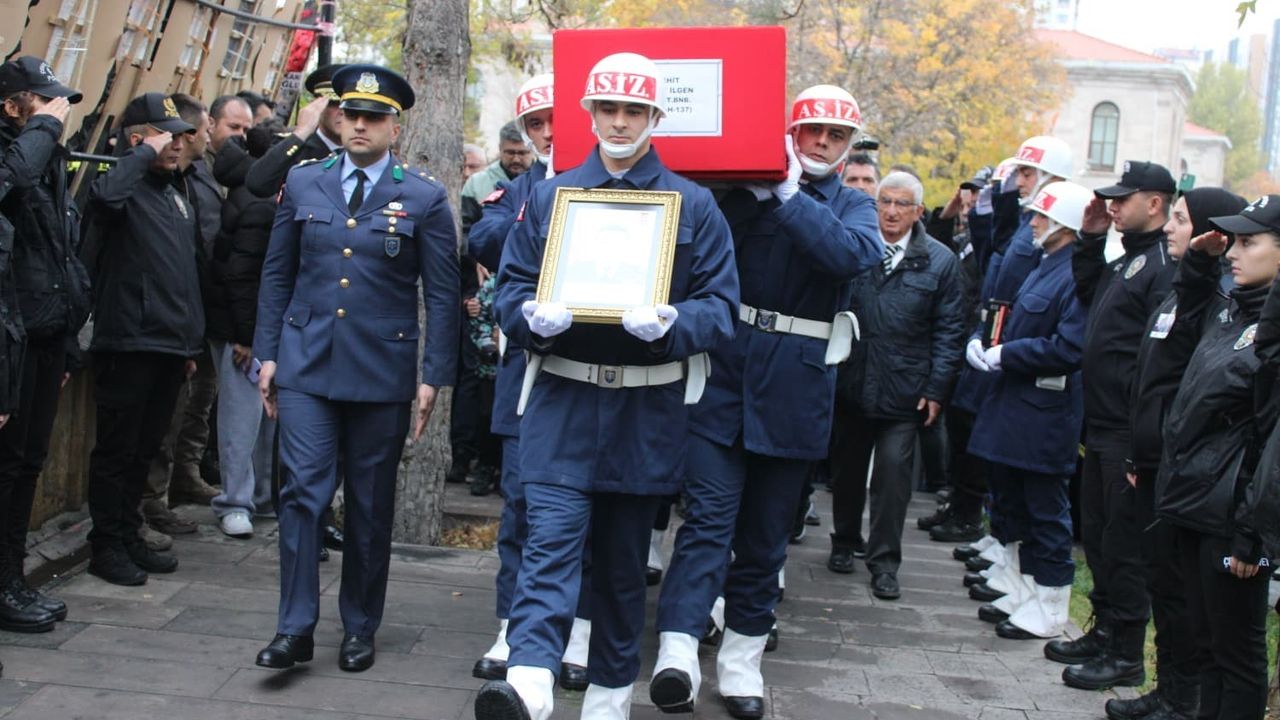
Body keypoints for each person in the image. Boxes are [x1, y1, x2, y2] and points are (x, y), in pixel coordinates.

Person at [474, 52, 738, 720]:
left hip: (644, 411)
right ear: (589, 114)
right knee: (548, 545)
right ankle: (531, 679)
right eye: (608, 109)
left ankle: (609, 695)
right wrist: (527, 316)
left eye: (634, 111)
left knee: (623, 570)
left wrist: (674, 321)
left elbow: (722, 308)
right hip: (562, 401)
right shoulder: (550, 194)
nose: (620, 123)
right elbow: (509, 285)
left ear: (655, 116)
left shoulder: (693, 204)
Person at [648, 83, 881, 719]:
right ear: (793, 132)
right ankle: (676, 651)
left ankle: (742, 662)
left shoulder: (854, 207)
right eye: (812, 131)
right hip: (725, 379)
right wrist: (750, 191)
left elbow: (848, 257)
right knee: (705, 525)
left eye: (837, 136)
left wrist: (783, 196)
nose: (824, 143)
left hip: (796, 390)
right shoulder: (739, 194)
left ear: (849, 145)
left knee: (765, 537)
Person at [252, 64, 459, 674]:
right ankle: (294, 628)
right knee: (302, 497)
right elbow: (277, 274)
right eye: (351, 113)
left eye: (374, 117)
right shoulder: (305, 181)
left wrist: (432, 377)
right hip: (307, 366)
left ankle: (360, 626)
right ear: (337, 117)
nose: (359, 125)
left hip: (380, 372)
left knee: (369, 507)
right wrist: (268, 353)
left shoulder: (422, 195)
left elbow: (443, 294)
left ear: (396, 126)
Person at [467, 72, 595, 691]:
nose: (546, 133)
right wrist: (542, 194)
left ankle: (581, 629)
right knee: (520, 506)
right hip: (530, 374)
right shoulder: (519, 188)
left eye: (554, 120)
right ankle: (513, 626)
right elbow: (485, 238)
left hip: (600, 371)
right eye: (535, 125)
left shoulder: (608, 183)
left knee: (592, 509)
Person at [1104, 187, 1247, 720]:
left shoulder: (1221, 300)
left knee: (1179, 590)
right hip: (1150, 461)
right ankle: (1171, 690)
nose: (1169, 227)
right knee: (1161, 582)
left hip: (1179, 468)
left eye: (1182, 219)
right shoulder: (1179, 291)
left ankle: (1183, 699)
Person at [1153, 198, 1280, 719]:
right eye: (1234, 241)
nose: (1235, 252)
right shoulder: (1234, 310)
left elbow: (1272, 441)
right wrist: (1199, 265)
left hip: (1232, 515)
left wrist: (1252, 533)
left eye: (1250, 243)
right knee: (1206, 644)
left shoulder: (1270, 332)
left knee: (1237, 654)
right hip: (1196, 500)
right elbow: (1178, 347)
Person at [1055, 161, 1178, 691]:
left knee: (1123, 545)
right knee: (1101, 541)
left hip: (1127, 430)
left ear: (1155, 204)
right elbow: (1090, 296)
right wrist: (1090, 239)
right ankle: (1104, 630)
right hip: (1100, 424)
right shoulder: (1128, 258)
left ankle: (1126, 652)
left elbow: (1158, 353)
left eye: (1124, 199)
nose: (1114, 205)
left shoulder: (1163, 265)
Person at [826, 171, 965, 600]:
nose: (890, 211)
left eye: (901, 204)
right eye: (884, 201)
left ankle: (885, 562)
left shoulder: (941, 262)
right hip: (852, 378)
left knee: (892, 476)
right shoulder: (857, 248)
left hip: (905, 389)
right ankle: (845, 540)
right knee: (846, 470)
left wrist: (937, 389)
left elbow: (950, 330)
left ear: (918, 211)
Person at [83, 92, 202, 586]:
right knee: (117, 450)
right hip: (129, 342)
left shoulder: (175, 191)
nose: (176, 145)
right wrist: (139, 156)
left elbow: (185, 274)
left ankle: (128, 532)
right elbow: (105, 197)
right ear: (137, 139)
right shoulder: (121, 184)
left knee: (144, 449)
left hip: (170, 347)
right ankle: (106, 543)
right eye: (164, 136)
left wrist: (189, 343)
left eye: (178, 136)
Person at [964, 181, 1091, 640]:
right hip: (1018, 406)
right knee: (1015, 505)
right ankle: (1025, 590)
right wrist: (987, 343)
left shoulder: (1073, 272)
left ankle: (1052, 602)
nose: (1032, 222)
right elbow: (1010, 314)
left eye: (1041, 216)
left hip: (1044, 411)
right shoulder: (1046, 264)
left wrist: (1008, 355)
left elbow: (1068, 346)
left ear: (1064, 225)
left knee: (1045, 511)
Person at [954, 139, 1072, 599]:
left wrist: (1004, 349)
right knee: (1007, 479)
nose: (1018, 184)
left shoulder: (1060, 255)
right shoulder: (1034, 237)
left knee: (1036, 496)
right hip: (1008, 361)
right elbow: (996, 272)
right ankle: (1012, 563)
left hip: (1035, 383)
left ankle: (1039, 589)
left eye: (1026, 175)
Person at [0, 56, 88, 632]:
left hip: (44, 333)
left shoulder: (46, 155)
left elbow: (59, 253)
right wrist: (42, 131)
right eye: (43, 100)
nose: (57, 111)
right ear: (11, 107)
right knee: (6, 469)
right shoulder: (22, 153)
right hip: (11, 340)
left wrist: (67, 340)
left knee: (27, 464)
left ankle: (10, 580)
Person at [140, 94, 221, 544]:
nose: (207, 136)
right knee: (158, 421)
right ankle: (150, 502)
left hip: (197, 313)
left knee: (193, 405)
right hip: (158, 323)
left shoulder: (201, 176)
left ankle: (176, 482)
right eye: (206, 127)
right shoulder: (159, 183)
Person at [203, 125, 286, 538]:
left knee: (264, 417)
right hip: (247, 331)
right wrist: (246, 336)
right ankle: (236, 501)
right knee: (243, 418)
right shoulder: (261, 203)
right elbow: (242, 275)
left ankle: (259, 498)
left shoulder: (260, 195)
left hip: (260, 329)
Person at [244, 64, 344, 199]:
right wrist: (302, 132)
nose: (342, 112)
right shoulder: (294, 145)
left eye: (349, 106)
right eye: (334, 103)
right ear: (317, 105)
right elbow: (257, 184)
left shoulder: (365, 153)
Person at [460, 121, 531, 230]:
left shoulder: (545, 180)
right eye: (510, 153)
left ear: (532, 149)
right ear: (500, 148)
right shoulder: (476, 183)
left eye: (522, 153)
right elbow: (464, 228)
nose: (516, 159)